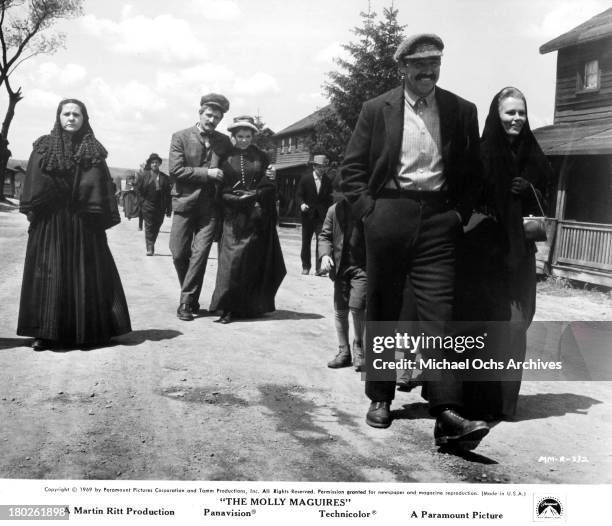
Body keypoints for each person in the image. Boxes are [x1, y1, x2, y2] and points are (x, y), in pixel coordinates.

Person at [340, 33, 487, 448]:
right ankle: (381, 397)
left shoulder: (461, 110)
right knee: (384, 307)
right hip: (389, 214)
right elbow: (351, 170)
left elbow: (474, 173)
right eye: (419, 64)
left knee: (440, 313)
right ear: (402, 67)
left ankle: (446, 410)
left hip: (439, 218)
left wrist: (458, 214)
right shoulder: (376, 109)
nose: (428, 71)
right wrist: (370, 211)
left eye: (435, 63)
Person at [456, 87, 551, 421]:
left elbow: (546, 202)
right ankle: (473, 402)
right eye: (510, 113)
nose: (516, 119)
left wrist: (531, 189)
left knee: (515, 326)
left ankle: (505, 403)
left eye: (521, 113)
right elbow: (466, 202)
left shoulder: (534, 155)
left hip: (519, 256)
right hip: (484, 256)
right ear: (497, 116)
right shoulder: (481, 154)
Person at [17, 98, 131, 350]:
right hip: (51, 223)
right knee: (49, 275)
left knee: (86, 274)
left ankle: (87, 332)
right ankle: (44, 334)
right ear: (58, 117)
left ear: (84, 119)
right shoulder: (43, 147)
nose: (71, 118)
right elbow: (33, 186)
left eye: (76, 114)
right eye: (66, 113)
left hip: (84, 223)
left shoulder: (94, 151)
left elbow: (101, 189)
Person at [209, 116, 286, 323]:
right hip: (232, 216)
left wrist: (254, 195)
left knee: (249, 263)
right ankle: (225, 307)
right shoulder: (224, 156)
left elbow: (269, 185)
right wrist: (231, 197)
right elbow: (218, 187)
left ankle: (246, 308)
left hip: (255, 215)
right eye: (240, 136)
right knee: (230, 262)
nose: (243, 140)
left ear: (253, 136)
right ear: (233, 136)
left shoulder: (262, 157)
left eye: (248, 136)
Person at [169, 93, 233, 321]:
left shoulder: (224, 142)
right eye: (209, 115)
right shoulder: (180, 137)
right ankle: (192, 295)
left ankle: (186, 302)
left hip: (211, 208)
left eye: (217, 117)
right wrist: (208, 173)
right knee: (178, 252)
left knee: (200, 254)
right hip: (184, 203)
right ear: (200, 113)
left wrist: (265, 170)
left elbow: (235, 166)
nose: (212, 120)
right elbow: (175, 171)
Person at [318, 196, 366, 370]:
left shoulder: (367, 209)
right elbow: (325, 236)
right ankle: (344, 352)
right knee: (340, 310)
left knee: (357, 307)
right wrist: (324, 255)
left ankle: (359, 347)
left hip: (362, 267)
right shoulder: (334, 210)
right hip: (340, 268)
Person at [296, 154, 333, 275]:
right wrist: (302, 204)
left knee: (321, 241)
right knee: (306, 242)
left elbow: (329, 199)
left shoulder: (328, 181)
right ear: (314, 167)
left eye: (324, 167)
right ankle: (306, 266)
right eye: (320, 167)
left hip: (321, 216)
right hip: (307, 215)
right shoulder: (305, 179)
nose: (322, 169)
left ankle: (319, 268)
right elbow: (299, 195)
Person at [136, 153, 172, 256]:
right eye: (153, 162)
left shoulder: (165, 178)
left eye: (156, 162)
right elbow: (137, 190)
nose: (155, 164)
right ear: (150, 164)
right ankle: (150, 247)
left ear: (160, 164)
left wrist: (169, 209)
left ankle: (152, 243)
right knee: (149, 226)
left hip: (160, 206)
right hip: (147, 205)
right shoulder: (144, 175)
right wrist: (142, 202)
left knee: (157, 226)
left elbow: (168, 195)